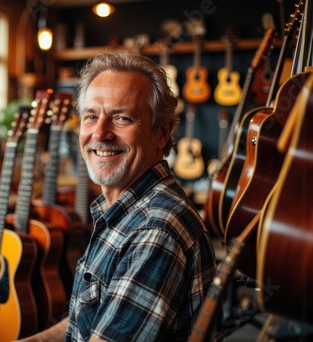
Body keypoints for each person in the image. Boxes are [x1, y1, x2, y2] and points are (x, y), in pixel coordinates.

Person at [18, 51, 218, 341]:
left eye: (121, 118)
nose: (100, 134)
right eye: (90, 117)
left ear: (161, 134)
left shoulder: (155, 230)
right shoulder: (122, 209)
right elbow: (86, 321)